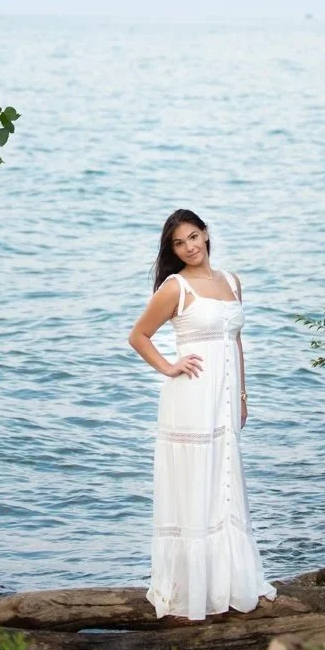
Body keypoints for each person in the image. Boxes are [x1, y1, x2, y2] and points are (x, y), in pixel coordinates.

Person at [127, 208, 278, 620]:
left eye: (194, 236)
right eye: (179, 242)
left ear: (206, 234)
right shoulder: (175, 288)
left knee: (224, 480)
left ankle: (226, 582)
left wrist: (243, 395)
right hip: (191, 398)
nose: (189, 247)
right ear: (172, 249)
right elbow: (138, 337)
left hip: (226, 400)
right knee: (196, 482)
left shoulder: (232, 281)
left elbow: (237, 342)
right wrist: (170, 367)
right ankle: (191, 589)